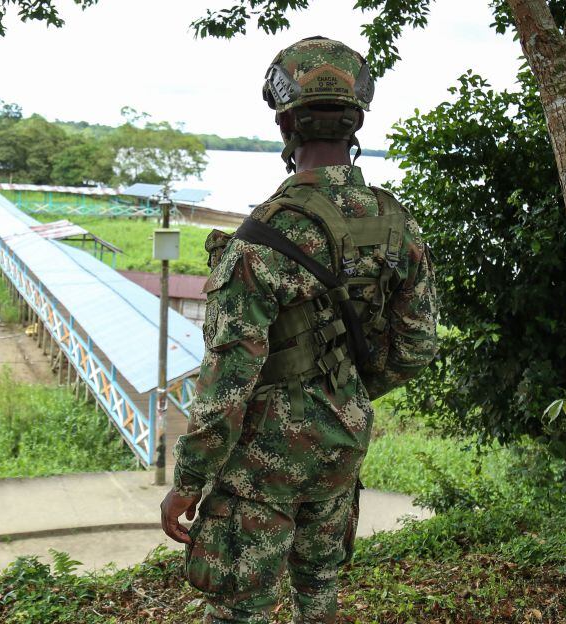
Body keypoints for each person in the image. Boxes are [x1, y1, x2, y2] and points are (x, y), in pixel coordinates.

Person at [160, 36, 439, 623]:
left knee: (242, 610)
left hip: (262, 462)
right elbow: (415, 347)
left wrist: (188, 481)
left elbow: (228, 379)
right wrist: (343, 389)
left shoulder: (263, 237)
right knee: (319, 600)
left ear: (286, 124)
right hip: (342, 447)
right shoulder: (397, 223)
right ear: (356, 122)